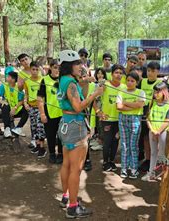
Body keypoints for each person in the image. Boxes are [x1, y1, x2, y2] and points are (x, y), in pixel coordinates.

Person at [56, 50, 103, 218]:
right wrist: (95, 94)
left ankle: (66, 196)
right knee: (76, 169)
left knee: (67, 164)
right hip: (76, 127)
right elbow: (78, 106)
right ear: (69, 66)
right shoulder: (71, 83)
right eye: (77, 63)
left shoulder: (64, 80)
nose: (81, 66)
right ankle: (73, 207)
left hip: (66, 125)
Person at [141, 82, 169, 182]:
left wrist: (158, 132)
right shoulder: (152, 104)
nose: (155, 94)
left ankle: (164, 174)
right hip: (153, 131)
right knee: (153, 153)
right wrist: (152, 130)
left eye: (158, 92)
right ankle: (151, 173)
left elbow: (168, 121)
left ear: (164, 92)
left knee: (162, 154)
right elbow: (148, 118)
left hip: (163, 133)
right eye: (155, 92)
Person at [97, 64, 127, 172]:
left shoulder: (124, 87)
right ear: (112, 74)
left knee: (115, 141)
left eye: (120, 73)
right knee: (107, 141)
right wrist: (98, 112)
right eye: (116, 73)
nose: (118, 75)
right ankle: (105, 162)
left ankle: (112, 161)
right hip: (107, 119)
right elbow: (96, 99)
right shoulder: (104, 85)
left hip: (119, 120)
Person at [116, 71, 146, 179]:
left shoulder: (141, 92)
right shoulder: (121, 92)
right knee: (124, 145)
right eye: (128, 80)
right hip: (123, 119)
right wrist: (133, 106)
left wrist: (125, 103)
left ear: (136, 82)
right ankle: (124, 169)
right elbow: (118, 107)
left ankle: (134, 169)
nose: (129, 83)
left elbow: (140, 104)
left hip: (135, 120)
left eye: (132, 81)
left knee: (133, 145)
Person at [37, 59, 64, 164]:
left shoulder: (63, 80)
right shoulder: (45, 80)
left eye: (59, 68)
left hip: (63, 113)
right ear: (50, 68)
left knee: (62, 135)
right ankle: (52, 153)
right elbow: (39, 98)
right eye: (55, 67)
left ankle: (61, 154)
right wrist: (42, 114)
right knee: (50, 135)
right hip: (50, 113)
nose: (57, 70)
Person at [0, 71, 28, 138]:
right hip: (7, 109)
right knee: (5, 106)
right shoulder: (4, 86)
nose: (7, 77)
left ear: (13, 79)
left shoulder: (18, 88)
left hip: (16, 108)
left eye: (8, 76)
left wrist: (15, 108)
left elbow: (21, 101)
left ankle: (18, 128)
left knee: (27, 109)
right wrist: (2, 102)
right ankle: (7, 128)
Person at [24, 61, 46, 158]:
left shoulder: (43, 80)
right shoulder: (27, 81)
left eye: (37, 69)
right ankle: (37, 145)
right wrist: (25, 103)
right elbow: (26, 94)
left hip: (40, 107)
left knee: (40, 127)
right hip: (31, 107)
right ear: (30, 70)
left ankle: (42, 148)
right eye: (33, 69)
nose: (35, 71)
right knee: (34, 127)